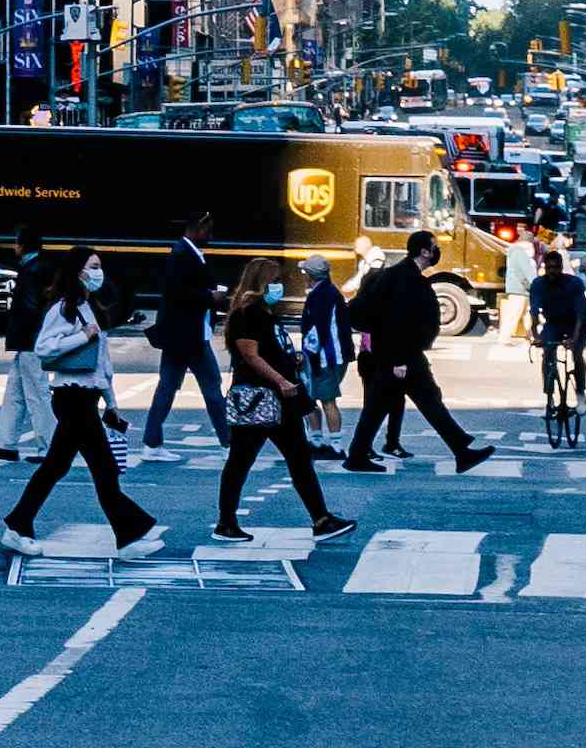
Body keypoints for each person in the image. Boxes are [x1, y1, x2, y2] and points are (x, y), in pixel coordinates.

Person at [0, 260, 156, 555]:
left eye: (100, 266)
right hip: (71, 397)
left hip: (85, 397)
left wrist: (111, 401)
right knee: (103, 470)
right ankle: (128, 534)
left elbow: (101, 362)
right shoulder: (63, 309)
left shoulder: (87, 307)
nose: (99, 271)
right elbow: (43, 347)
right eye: (93, 266)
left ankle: (18, 525)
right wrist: (83, 336)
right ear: (78, 271)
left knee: (56, 467)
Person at [207, 273, 348, 546]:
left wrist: (290, 359)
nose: (279, 286)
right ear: (260, 284)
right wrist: (281, 379)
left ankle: (321, 519)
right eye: (274, 280)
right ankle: (226, 522)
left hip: (280, 402)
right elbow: (250, 355)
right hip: (258, 400)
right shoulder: (247, 315)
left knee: (299, 460)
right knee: (241, 461)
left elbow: (269, 349)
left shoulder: (264, 313)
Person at [343, 239, 490, 474]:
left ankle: (460, 448)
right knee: (424, 401)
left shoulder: (400, 275)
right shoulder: (406, 279)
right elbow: (399, 320)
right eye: (433, 247)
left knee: (385, 405)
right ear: (423, 251)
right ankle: (461, 449)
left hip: (395, 354)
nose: (436, 250)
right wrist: (399, 359)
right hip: (401, 356)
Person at [132, 230, 222, 455]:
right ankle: (229, 443)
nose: (210, 233)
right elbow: (178, 293)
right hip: (190, 336)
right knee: (212, 387)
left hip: (181, 335)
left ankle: (152, 443)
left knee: (168, 386)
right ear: (198, 226)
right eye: (208, 227)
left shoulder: (185, 252)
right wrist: (210, 297)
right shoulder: (182, 254)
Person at [524, 233, 586, 451]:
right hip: (553, 323)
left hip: (574, 324)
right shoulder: (538, 284)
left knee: (577, 355)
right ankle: (549, 394)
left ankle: (580, 392)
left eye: (556, 268)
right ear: (544, 268)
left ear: (561, 268)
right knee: (547, 354)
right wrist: (535, 334)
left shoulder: (574, 284)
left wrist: (574, 339)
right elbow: (533, 311)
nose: (552, 272)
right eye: (549, 268)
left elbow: (580, 315)